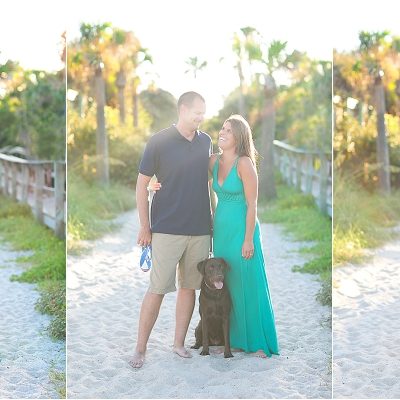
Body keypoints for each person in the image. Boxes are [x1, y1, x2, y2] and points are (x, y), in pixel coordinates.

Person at [129, 92, 212, 368]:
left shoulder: (206, 142)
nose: (200, 116)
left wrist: (213, 223)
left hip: (200, 229)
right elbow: (142, 185)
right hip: (166, 228)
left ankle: (178, 344)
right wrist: (145, 226)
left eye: (203, 112)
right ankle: (140, 349)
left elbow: (208, 183)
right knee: (158, 288)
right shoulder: (159, 141)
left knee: (190, 287)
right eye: (196, 112)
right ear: (182, 110)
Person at [210, 114, 279, 358]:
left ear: (239, 137)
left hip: (242, 230)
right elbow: (186, 174)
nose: (222, 132)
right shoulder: (213, 161)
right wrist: (155, 182)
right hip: (221, 231)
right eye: (222, 128)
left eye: (228, 130)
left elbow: (252, 204)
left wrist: (248, 239)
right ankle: (238, 339)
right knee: (228, 285)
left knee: (249, 282)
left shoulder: (244, 164)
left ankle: (258, 341)